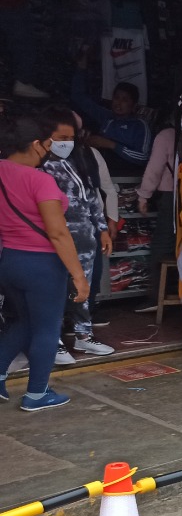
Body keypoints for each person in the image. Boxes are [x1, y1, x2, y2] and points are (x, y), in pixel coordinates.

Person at [0, 115, 91, 411]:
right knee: (47, 329)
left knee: (24, 322)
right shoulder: (40, 180)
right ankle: (37, 394)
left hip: (9, 261)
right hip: (42, 265)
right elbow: (57, 233)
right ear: (36, 144)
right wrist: (78, 276)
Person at [41, 109, 114, 357]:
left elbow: (92, 199)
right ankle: (54, 339)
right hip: (57, 239)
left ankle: (84, 335)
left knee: (82, 288)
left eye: (70, 138)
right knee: (55, 289)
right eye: (61, 138)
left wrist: (102, 229)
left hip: (85, 239)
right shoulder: (41, 168)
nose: (67, 143)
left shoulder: (77, 161)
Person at [71, 69, 153, 175]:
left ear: (134, 105)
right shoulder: (106, 116)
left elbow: (143, 157)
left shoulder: (139, 126)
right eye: (116, 98)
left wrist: (111, 145)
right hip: (99, 171)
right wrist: (81, 68)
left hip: (125, 177)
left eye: (125, 100)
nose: (119, 103)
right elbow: (79, 98)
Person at [138, 120, 177, 304]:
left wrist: (144, 196)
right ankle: (179, 292)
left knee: (163, 244)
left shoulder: (167, 135)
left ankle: (157, 297)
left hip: (170, 196)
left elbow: (155, 168)